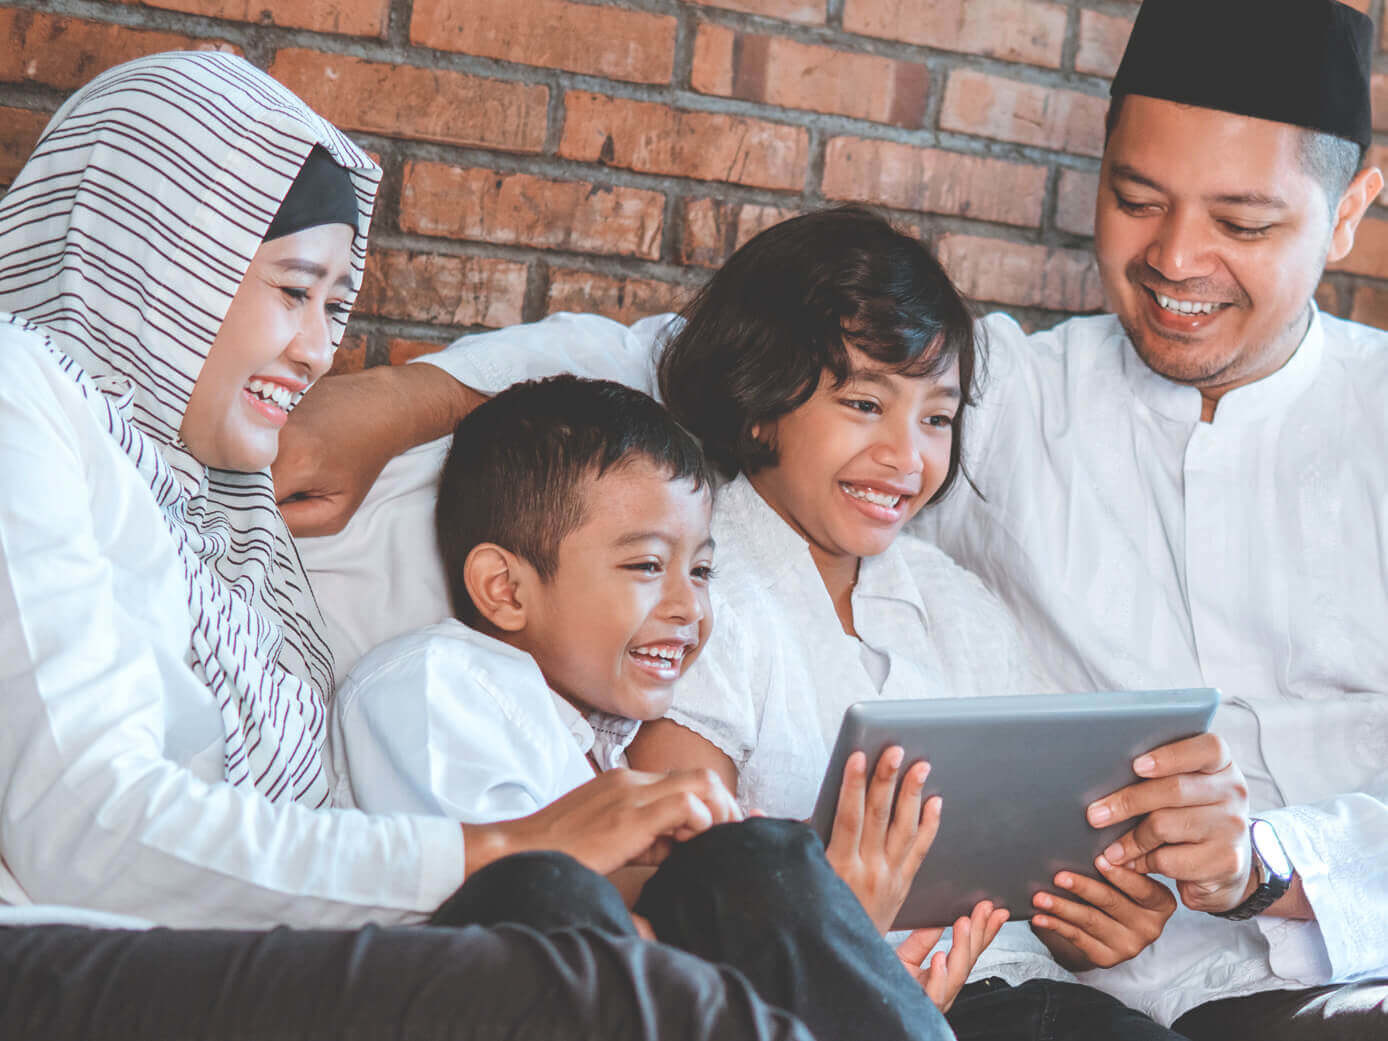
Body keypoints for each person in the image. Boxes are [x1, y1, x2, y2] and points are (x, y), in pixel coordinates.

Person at [280, 0, 1388, 1036]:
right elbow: (681, 357)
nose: (1174, 258)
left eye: (1241, 221)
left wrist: (1266, 867)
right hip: (1074, 987)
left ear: (1348, 212)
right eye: (1136, 200)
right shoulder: (1010, 394)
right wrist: (396, 399)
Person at [0, 50, 957, 1041]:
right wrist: (501, 844)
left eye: (333, 305)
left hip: (282, 947)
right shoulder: (21, 389)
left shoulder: (223, 512)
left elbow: (637, 361)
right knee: (565, 928)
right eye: (292, 291)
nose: (318, 350)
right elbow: (85, 825)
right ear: (160, 258)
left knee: (741, 870)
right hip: (84, 959)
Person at [306, 208, 1188, 1041]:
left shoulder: (948, 600)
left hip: (966, 985)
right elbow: (607, 913)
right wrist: (835, 931)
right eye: (864, 403)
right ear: (761, 402)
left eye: (938, 417)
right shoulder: (465, 680)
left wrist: (1085, 906)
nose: (906, 454)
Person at [333, 373, 996, 1013]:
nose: (690, 607)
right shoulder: (437, 684)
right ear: (505, 589)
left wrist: (845, 964)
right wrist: (825, 942)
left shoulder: (604, 745)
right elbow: (531, 932)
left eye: (701, 569)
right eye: (647, 564)